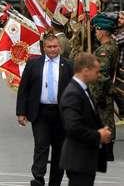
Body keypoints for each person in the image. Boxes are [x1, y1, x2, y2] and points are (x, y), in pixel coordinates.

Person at [16, 34, 74, 186]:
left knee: (59, 151)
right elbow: (24, 90)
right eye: (49, 47)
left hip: (61, 115)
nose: (53, 49)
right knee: (41, 146)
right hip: (40, 113)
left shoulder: (68, 66)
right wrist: (21, 112)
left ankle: (55, 182)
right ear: (44, 48)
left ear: (59, 47)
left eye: (55, 46)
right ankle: (38, 179)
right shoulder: (33, 64)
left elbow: (75, 92)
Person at [59, 52, 113, 186]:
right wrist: (98, 135)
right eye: (97, 71)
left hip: (85, 159)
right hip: (78, 159)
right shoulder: (73, 93)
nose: (99, 75)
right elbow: (73, 127)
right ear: (85, 71)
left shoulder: (83, 89)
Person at [89, 14, 119, 162]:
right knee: (107, 120)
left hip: (102, 93)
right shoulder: (112, 45)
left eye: (96, 30)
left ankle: (106, 153)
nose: (95, 33)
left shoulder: (104, 50)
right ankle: (107, 152)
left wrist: (96, 96)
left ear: (102, 31)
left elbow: (101, 75)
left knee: (103, 120)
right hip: (107, 91)